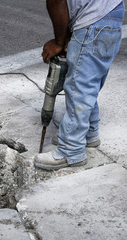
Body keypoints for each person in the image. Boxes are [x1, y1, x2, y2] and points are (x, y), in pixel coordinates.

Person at [34, 0, 125, 170]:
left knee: (78, 86)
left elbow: (56, 1)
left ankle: (70, 150)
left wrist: (59, 42)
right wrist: (67, 37)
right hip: (111, 14)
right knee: (89, 80)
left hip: (92, 20)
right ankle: (89, 132)